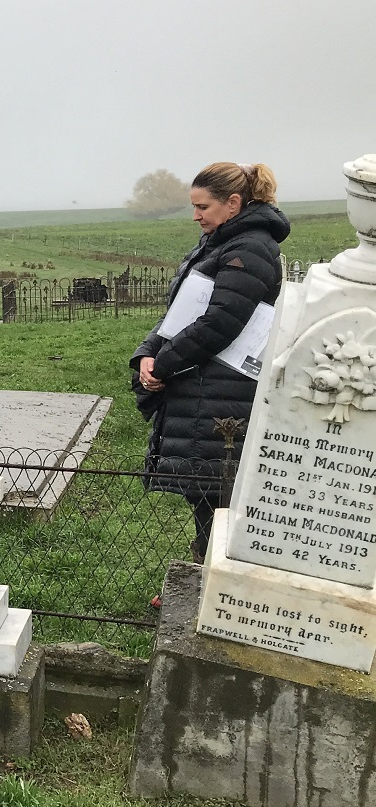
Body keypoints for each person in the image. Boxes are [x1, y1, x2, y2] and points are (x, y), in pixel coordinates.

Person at [131, 162, 287, 604]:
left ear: (233, 204)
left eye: (203, 206)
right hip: (202, 383)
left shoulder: (253, 248)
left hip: (223, 390)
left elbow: (220, 322)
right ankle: (207, 580)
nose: (196, 215)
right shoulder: (220, 241)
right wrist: (147, 353)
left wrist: (163, 364)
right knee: (207, 491)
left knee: (220, 490)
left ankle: (220, 593)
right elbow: (182, 309)